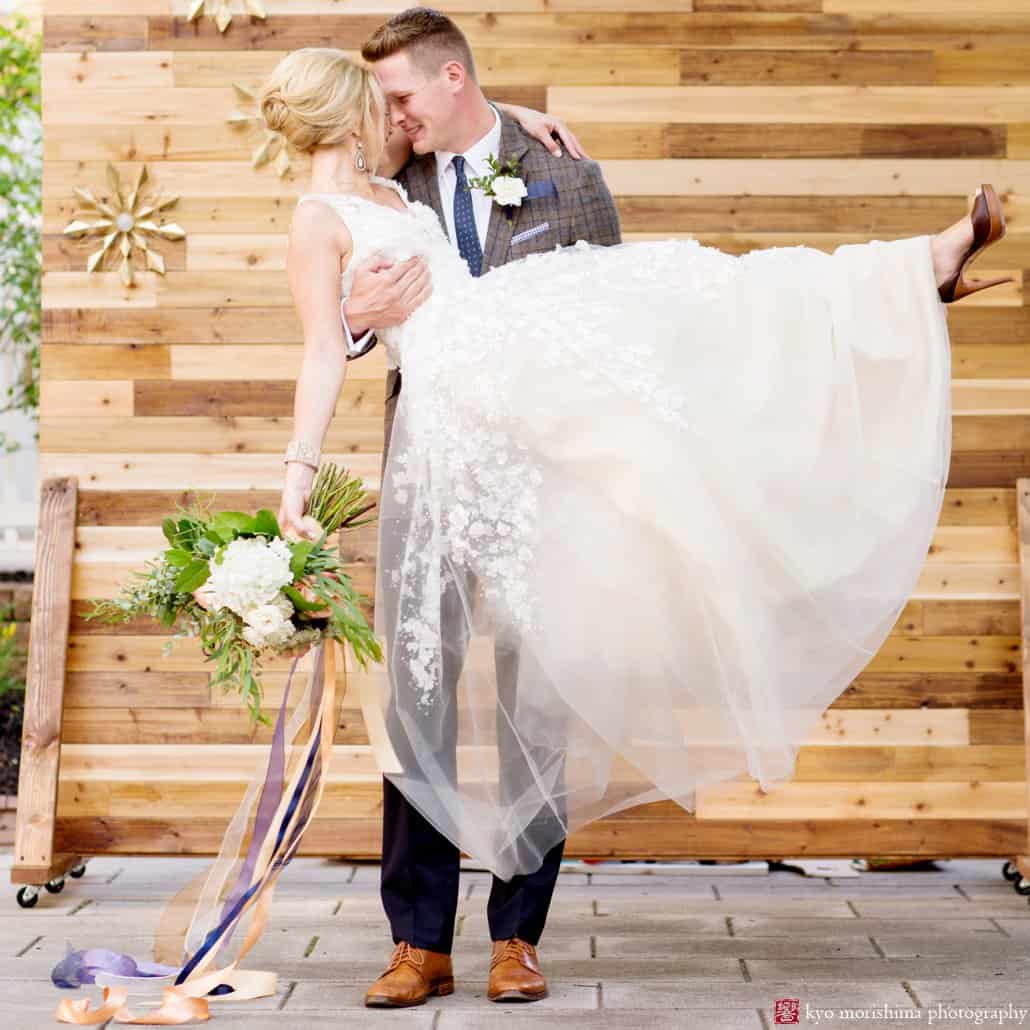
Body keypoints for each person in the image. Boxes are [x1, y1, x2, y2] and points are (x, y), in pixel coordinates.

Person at [267, 27, 1010, 1015]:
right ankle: (416, 942)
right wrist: (339, 365)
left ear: (455, 81)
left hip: (548, 449)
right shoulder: (363, 189)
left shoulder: (544, 171)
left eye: (407, 98)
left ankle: (516, 938)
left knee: (697, 293)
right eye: (378, 102)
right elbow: (331, 339)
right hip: (439, 453)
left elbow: (612, 313)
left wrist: (507, 121)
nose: (393, 116)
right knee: (419, 700)